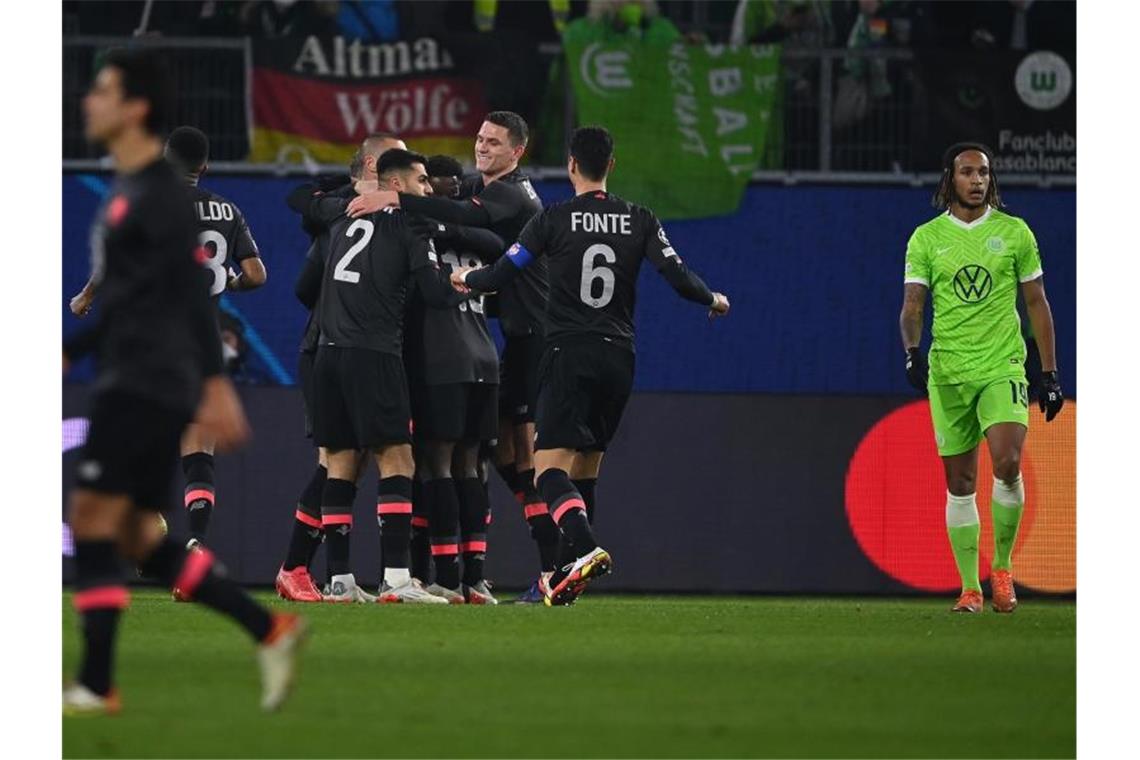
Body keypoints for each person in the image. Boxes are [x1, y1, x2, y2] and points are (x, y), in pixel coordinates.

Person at [62, 48, 305, 716]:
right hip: (143, 368)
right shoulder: (136, 190)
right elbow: (142, 293)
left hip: (146, 378)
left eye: (103, 90)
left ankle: (96, 682)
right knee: (141, 537)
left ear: (136, 109)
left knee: (92, 520)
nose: (89, 100)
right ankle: (269, 629)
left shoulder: (159, 198)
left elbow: (189, 298)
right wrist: (71, 347)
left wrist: (215, 384)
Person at [450, 126, 730, 606]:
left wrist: (465, 277)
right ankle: (564, 578)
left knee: (548, 471)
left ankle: (583, 549)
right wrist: (714, 297)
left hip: (568, 351)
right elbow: (679, 277)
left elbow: (501, 273)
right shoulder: (640, 218)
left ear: (571, 165)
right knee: (586, 471)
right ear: (611, 166)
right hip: (619, 356)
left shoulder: (552, 219)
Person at [347, 112, 560, 600]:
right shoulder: (475, 205)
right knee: (493, 461)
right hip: (494, 349)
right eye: (480, 139)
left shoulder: (504, 197)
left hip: (521, 342)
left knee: (493, 462)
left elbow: (469, 216)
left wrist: (398, 201)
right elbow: (467, 213)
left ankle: (540, 565)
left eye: (493, 142)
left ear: (517, 152)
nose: (482, 147)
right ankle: (478, 576)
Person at [899, 142, 1064, 614]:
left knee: (1008, 461)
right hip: (950, 370)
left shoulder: (1014, 233)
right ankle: (970, 587)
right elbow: (913, 305)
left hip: (1002, 365)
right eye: (968, 172)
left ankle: (1003, 568)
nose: (978, 180)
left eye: (984, 173)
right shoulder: (926, 239)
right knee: (960, 482)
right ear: (950, 179)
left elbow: (1036, 303)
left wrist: (1048, 371)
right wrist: (913, 353)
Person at [304, 148, 465, 604]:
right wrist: (466, 282)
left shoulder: (341, 220)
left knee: (338, 462)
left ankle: (339, 580)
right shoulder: (410, 224)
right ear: (395, 185)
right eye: (420, 182)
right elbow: (434, 293)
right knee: (398, 460)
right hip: (374, 353)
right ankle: (397, 580)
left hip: (327, 355)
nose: (427, 189)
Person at [403, 155, 507, 604]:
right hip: (486, 358)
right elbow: (500, 244)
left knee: (435, 466)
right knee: (473, 467)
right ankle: (475, 578)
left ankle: (445, 576)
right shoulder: (477, 240)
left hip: (442, 359)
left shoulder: (417, 233)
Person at [275, 152, 377, 602]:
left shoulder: (362, 217)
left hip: (349, 349)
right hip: (327, 349)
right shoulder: (342, 218)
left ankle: (316, 572)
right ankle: (297, 567)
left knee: (351, 465)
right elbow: (302, 286)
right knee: (335, 462)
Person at [165, 125, 267, 549]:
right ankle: (198, 541)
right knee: (198, 445)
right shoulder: (228, 210)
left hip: (156, 338)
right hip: (205, 340)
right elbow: (257, 275)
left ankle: (140, 520)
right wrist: (228, 282)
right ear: (205, 166)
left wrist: (87, 296)